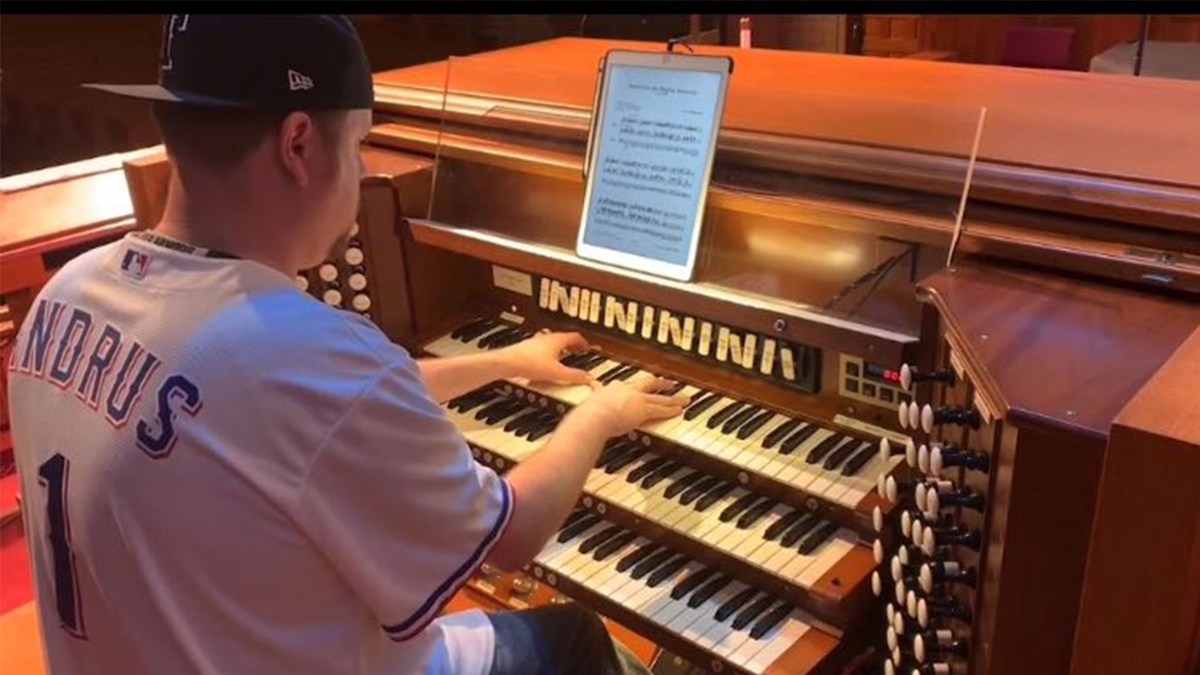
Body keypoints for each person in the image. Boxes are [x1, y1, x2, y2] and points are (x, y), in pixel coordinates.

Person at [6, 15, 689, 675]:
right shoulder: (302, 356)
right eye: (359, 142)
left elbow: (291, 411)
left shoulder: (66, 294)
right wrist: (601, 414)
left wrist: (508, 361)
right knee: (573, 634)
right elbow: (510, 534)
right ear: (298, 144)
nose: (362, 172)